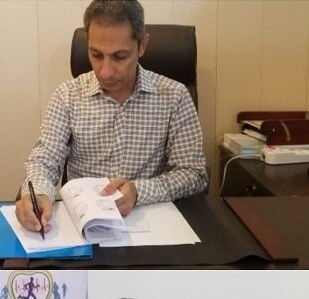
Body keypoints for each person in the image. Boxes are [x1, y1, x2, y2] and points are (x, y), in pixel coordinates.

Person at [16, 0, 208, 234]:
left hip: (150, 224)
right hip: (84, 226)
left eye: (119, 56)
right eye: (96, 55)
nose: (105, 71)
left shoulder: (174, 96)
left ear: (142, 45)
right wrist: (37, 194)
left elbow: (193, 174)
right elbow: (44, 161)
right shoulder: (68, 95)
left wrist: (138, 192)